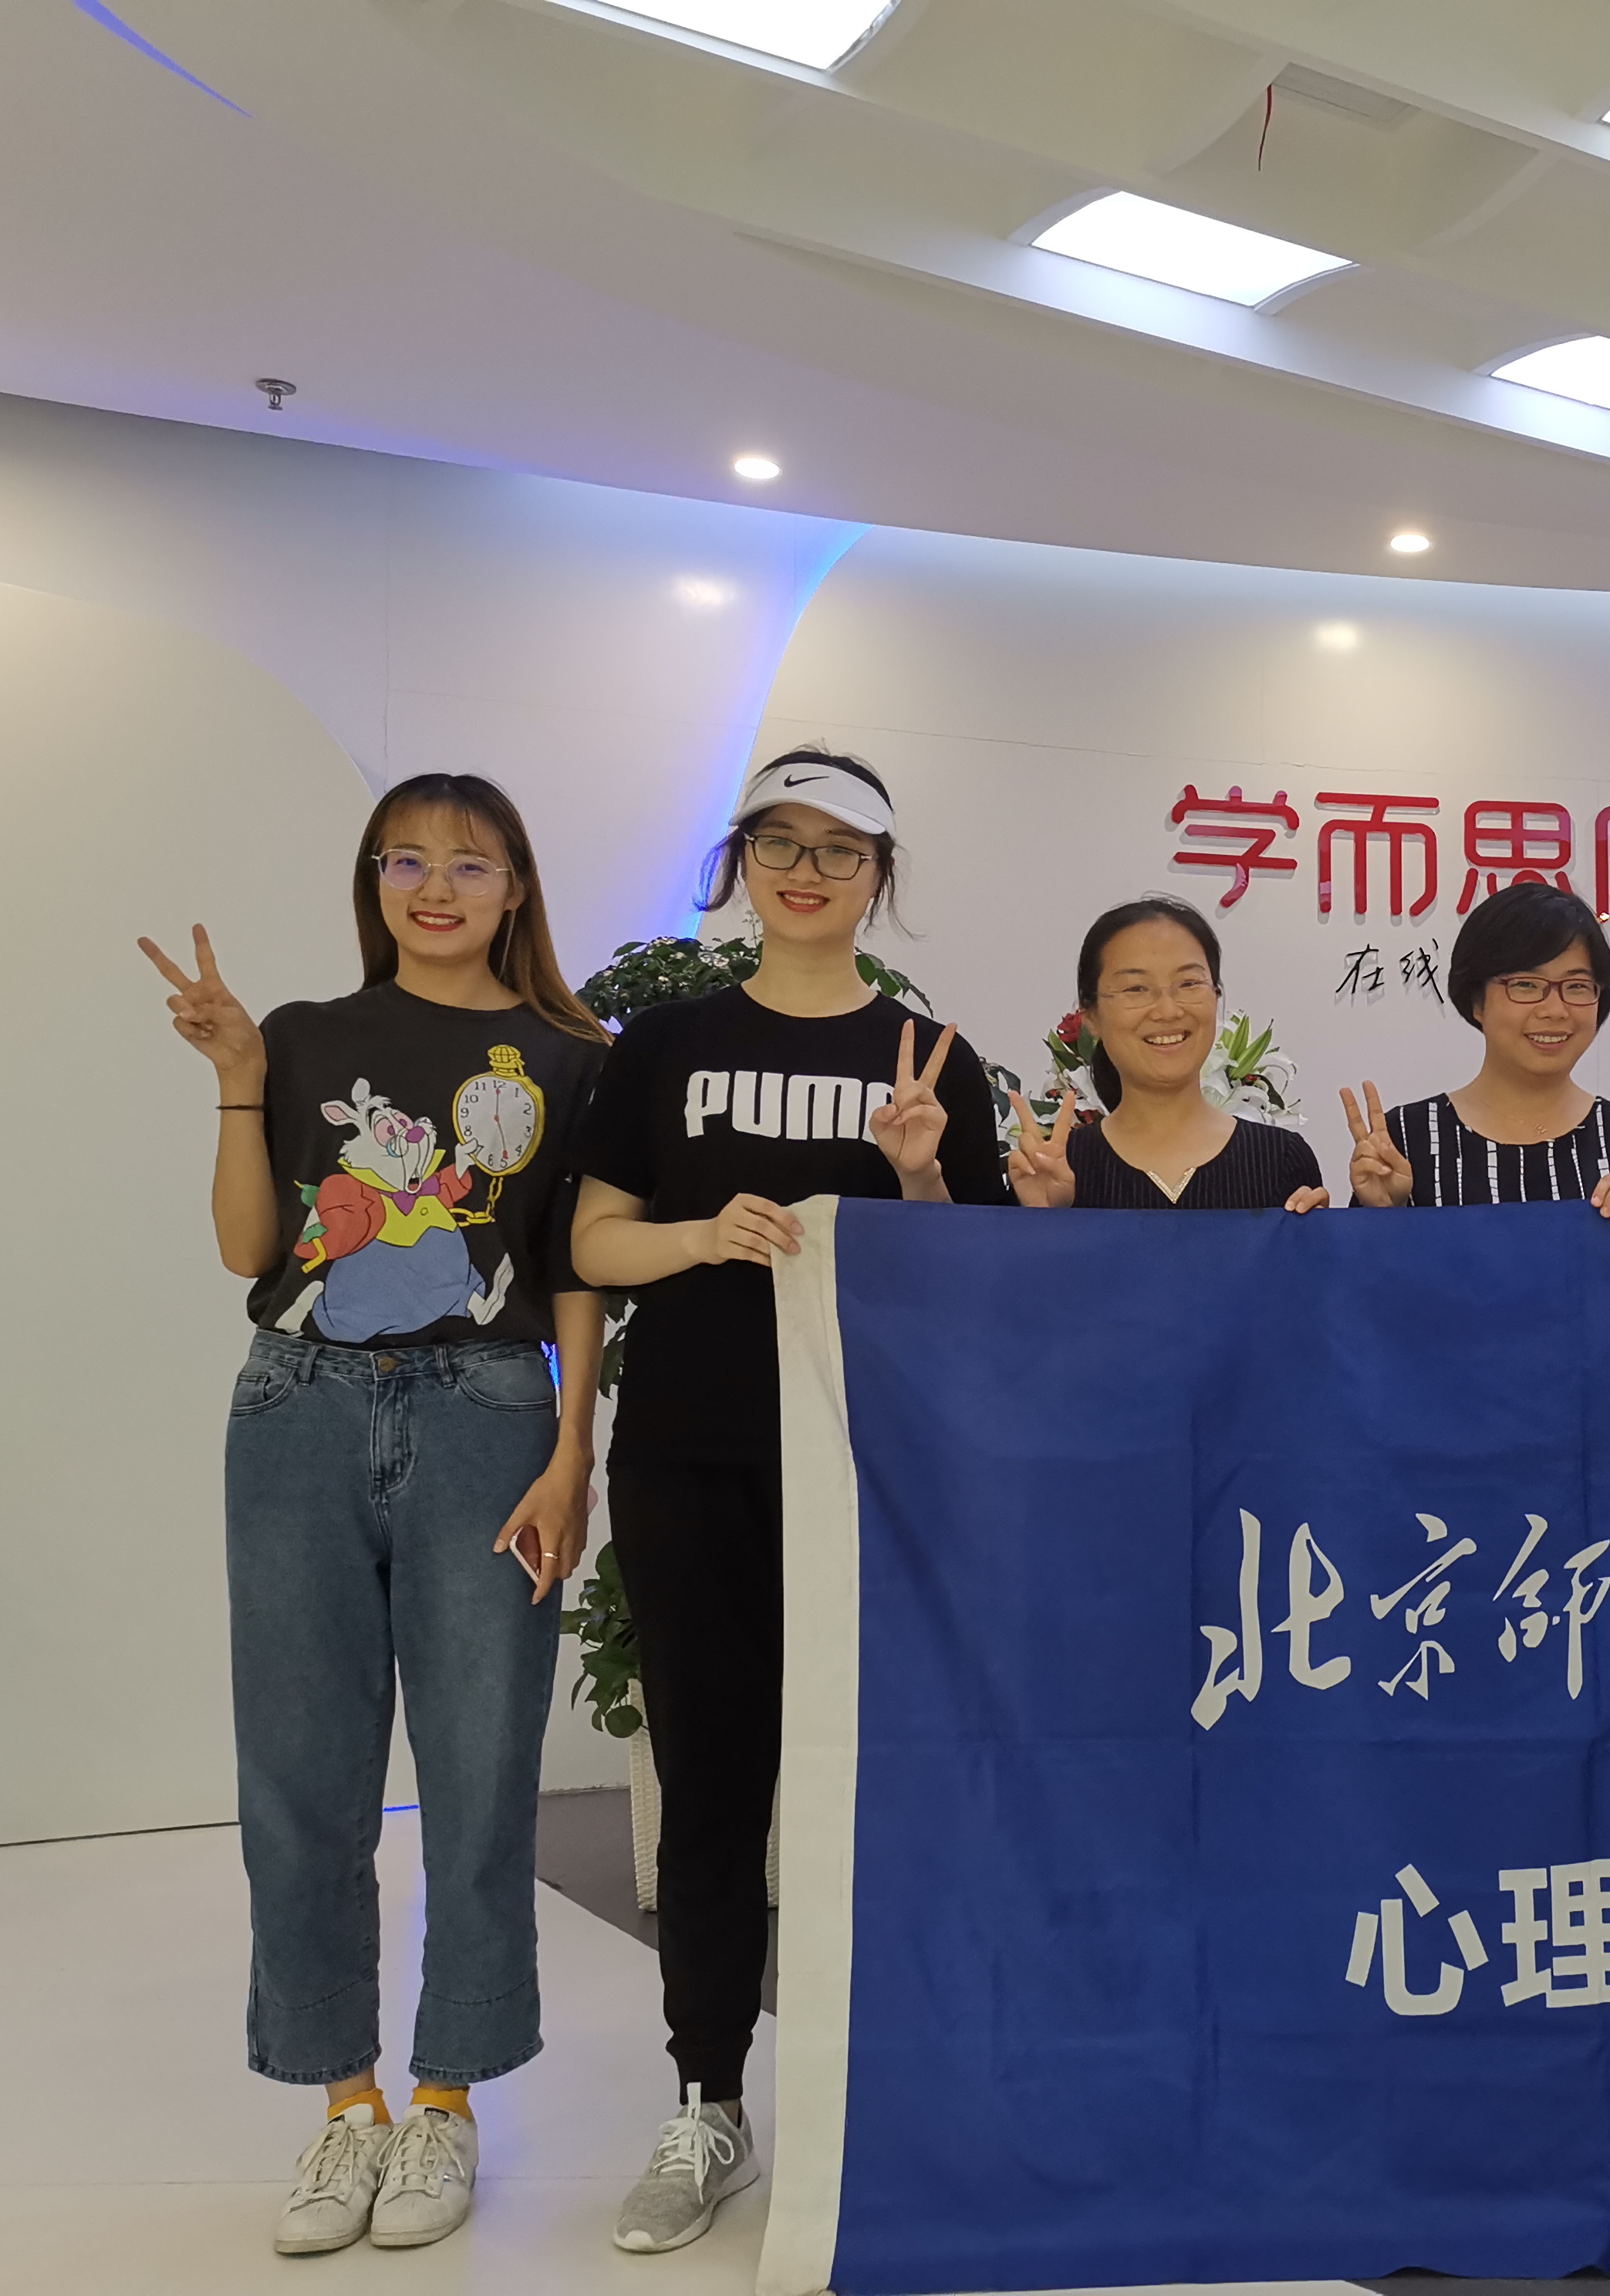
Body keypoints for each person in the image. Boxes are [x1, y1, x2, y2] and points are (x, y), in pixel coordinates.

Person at [140, 774, 607, 2257]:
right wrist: (235, 1072)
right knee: (299, 1772)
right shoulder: (303, 1036)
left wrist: (572, 1452)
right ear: (373, 881)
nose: (435, 888)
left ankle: (447, 2101)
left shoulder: (573, 1057)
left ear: (516, 887)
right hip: (298, 1409)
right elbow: (248, 1249)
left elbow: (576, 1270)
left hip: (489, 1415)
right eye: (405, 860)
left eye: (469, 863)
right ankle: (347, 2104)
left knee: (480, 1768)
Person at [569, 749, 1008, 2254]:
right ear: (740, 861)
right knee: (709, 1791)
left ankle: (874, 2099)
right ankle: (709, 2100)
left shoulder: (929, 1059)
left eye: (839, 848)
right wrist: (700, 1236)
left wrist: (922, 1178)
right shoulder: (666, 1043)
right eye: (781, 843)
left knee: (876, 1792)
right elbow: (594, 1243)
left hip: (870, 1468)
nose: (807, 871)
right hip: (689, 1461)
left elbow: (979, 1283)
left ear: (879, 874)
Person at [1339, 880, 1610, 1215]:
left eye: (1577, 986)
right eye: (1525, 985)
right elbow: (1367, 1256)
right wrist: (1385, 1215)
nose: (1554, 1010)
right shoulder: (1404, 1139)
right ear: (1477, 1000)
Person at [1005, 897, 1328, 1212]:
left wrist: (1325, 1229)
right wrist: (1043, 1218)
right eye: (1136, 989)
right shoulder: (1059, 1168)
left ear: (1216, 996)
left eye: (1188, 983)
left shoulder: (1281, 1159)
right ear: (1090, 1016)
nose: (1167, 1010)